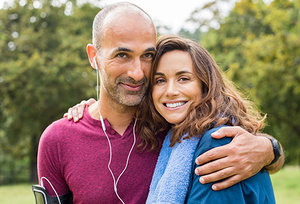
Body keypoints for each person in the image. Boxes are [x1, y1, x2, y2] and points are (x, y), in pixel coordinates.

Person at [38, 2, 283, 204]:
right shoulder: (58, 139)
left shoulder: (177, 126)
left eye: (147, 56)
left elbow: (236, 147)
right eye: (122, 55)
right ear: (94, 57)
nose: (136, 72)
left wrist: (269, 149)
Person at [139, 35, 275, 203]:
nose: (171, 91)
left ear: (205, 86)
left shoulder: (219, 142)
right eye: (160, 80)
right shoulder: (174, 137)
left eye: (183, 78)